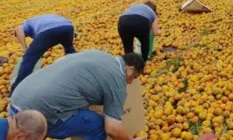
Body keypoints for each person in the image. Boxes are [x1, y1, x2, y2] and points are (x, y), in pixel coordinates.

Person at [9, 50, 146, 140]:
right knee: (99, 126)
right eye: (133, 77)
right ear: (130, 69)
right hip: (38, 117)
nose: (130, 82)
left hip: (17, 101)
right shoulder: (117, 79)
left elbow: (62, 60)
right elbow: (112, 128)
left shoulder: (99, 54)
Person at [11, 14, 76, 96]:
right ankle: (76, 73)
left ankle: (16, 89)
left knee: (29, 58)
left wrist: (25, 48)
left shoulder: (25, 24)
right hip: (68, 27)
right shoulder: (39, 21)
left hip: (49, 30)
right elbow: (51, 37)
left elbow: (18, 29)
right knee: (69, 49)